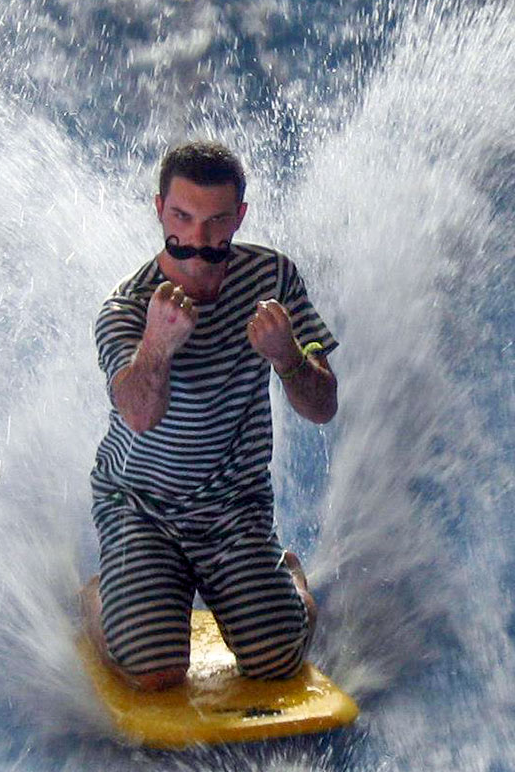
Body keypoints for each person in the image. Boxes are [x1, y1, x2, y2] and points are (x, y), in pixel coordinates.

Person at [81, 141, 338, 691]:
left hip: (233, 505)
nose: (198, 241)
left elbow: (323, 408)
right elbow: (139, 414)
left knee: (276, 661)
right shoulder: (126, 307)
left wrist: (288, 356)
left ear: (239, 217)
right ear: (159, 210)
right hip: (141, 505)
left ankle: (287, 581)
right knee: (153, 671)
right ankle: (102, 596)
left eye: (216, 222)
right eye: (182, 218)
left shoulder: (274, 278)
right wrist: (156, 346)